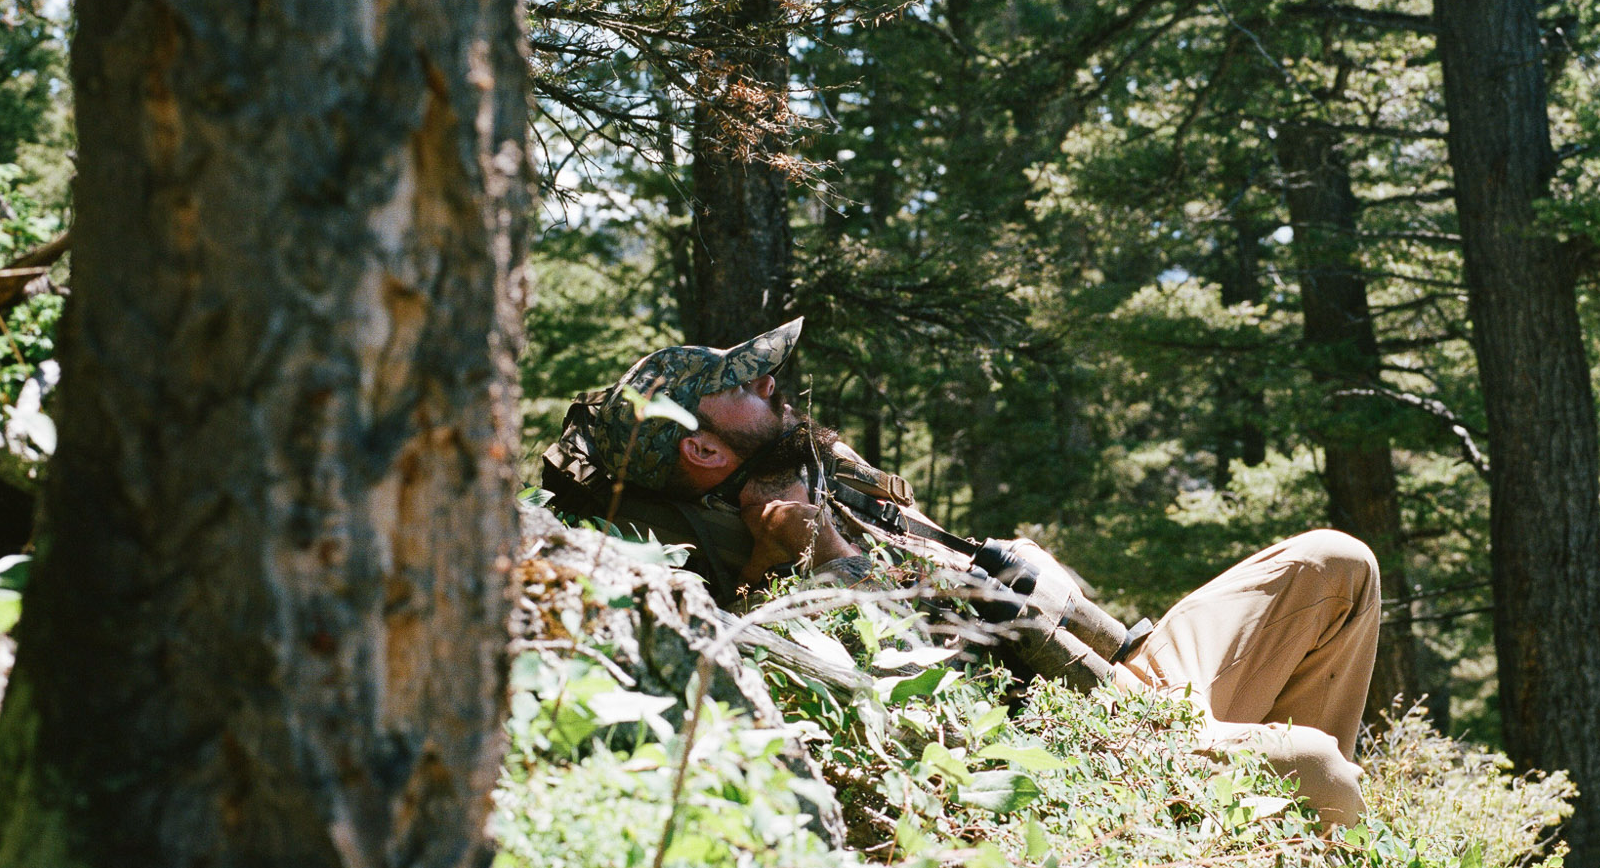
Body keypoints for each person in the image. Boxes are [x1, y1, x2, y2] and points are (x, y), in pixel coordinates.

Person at [540, 318, 1383, 826]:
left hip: (1107, 678)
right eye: (742, 386)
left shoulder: (813, 467)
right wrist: (814, 565)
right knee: (1318, 768)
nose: (770, 380)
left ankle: (1273, 843)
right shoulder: (736, 558)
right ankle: (1272, 841)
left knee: (1337, 566)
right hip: (1069, 746)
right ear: (702, 447)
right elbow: (874, 710)